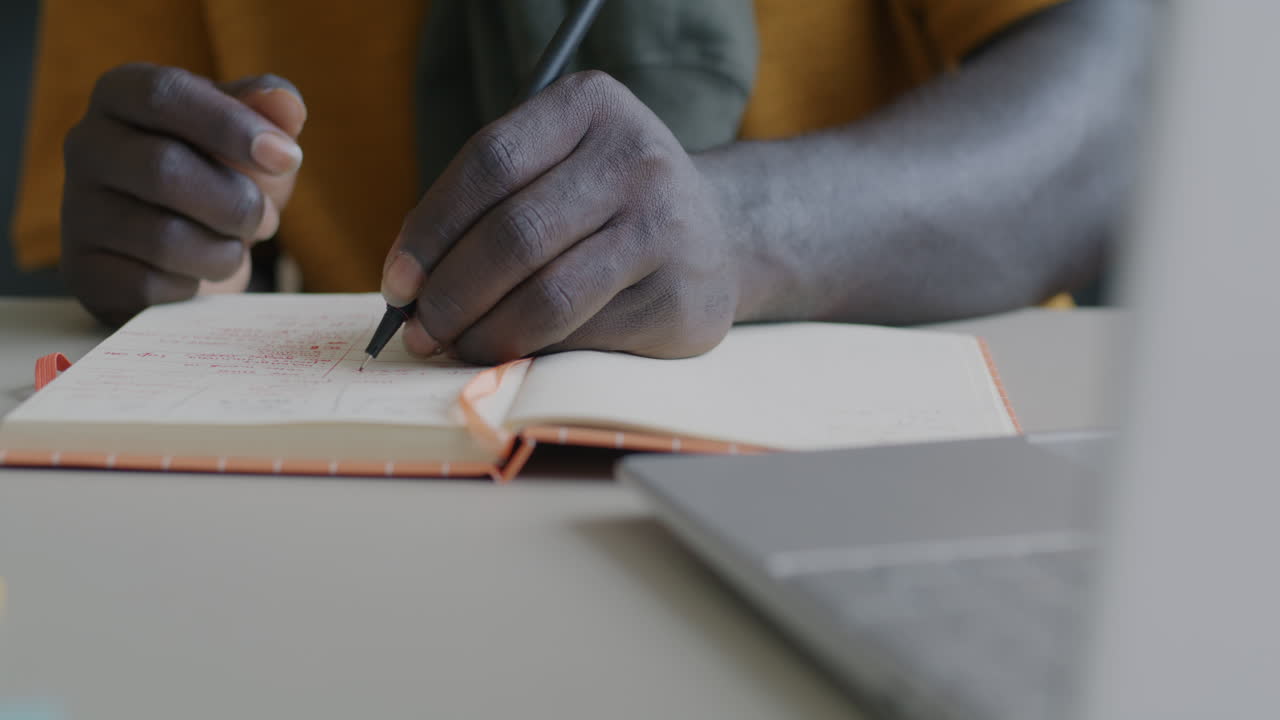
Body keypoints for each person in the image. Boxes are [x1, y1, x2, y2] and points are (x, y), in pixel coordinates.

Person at [12, 0, 1151, 364]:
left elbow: (1114, 116)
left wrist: (734, 226)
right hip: (382, 489)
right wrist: (163, 239)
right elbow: (132, 230)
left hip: (896, 481)